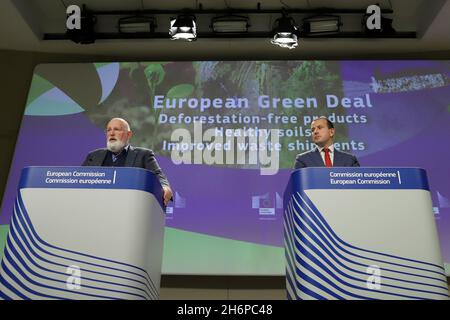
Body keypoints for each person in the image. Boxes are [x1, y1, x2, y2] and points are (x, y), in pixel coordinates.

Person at [82, 118, 173, 205]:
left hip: (128, 207)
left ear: (128, 134)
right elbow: (79, 178)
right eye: (108, 130)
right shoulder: (94, 156)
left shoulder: (143, 155)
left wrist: (165, 187)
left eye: (117, 129)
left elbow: (158, 175)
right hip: (96, 204)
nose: (112, 133)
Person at [294, 117, 360, 169]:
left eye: (319, 128)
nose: (315, 132)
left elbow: (358, 183)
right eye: (312, 130)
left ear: (331, 132)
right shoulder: (302, 159)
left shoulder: (350, 160)